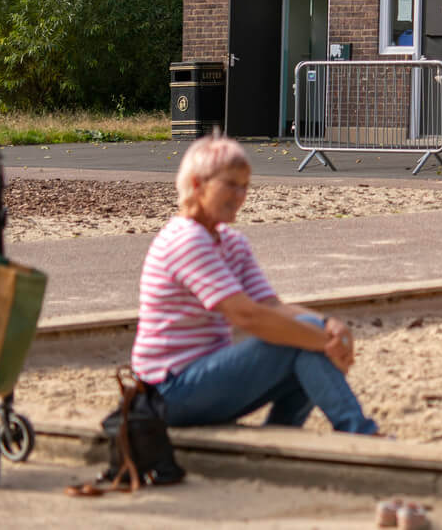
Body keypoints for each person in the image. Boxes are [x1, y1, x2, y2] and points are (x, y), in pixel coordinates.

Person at [132, 133, 379, 434]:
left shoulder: (231, 241)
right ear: (198, 185)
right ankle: (359, 432)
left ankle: (284, 435)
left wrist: (328, 325)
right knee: (301, 341)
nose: (240, 195)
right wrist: (323, 341)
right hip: (166, 390)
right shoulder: (186, 238)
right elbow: (245, 315)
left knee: (304, 337)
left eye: (245, 186)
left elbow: (270, 305)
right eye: (231, 184)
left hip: (198, 378)